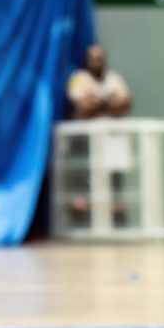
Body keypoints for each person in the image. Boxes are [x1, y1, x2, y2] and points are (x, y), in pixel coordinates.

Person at [65, 44, 132, 226]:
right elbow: (83, 108)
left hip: (111, 139)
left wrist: (96, 101)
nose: (97, 62)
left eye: (100, 58)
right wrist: (109, 101)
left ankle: (114, 220)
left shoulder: (114, 78)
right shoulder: (78, 79)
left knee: (112, 183)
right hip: (83, 142)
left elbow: (125, 103)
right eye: (93, 59)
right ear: (86, 61)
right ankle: (84, 221)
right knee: (83, 186)